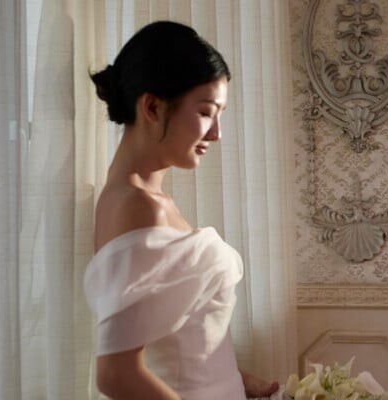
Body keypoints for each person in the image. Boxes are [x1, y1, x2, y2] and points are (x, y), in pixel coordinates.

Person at [83, 21, 279, 399]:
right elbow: (116, 374)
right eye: (206, 112)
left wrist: (240, 381)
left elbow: (179, 342)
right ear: (152, 107)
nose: (216, 133)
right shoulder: (137, 207)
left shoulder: (147, 202)